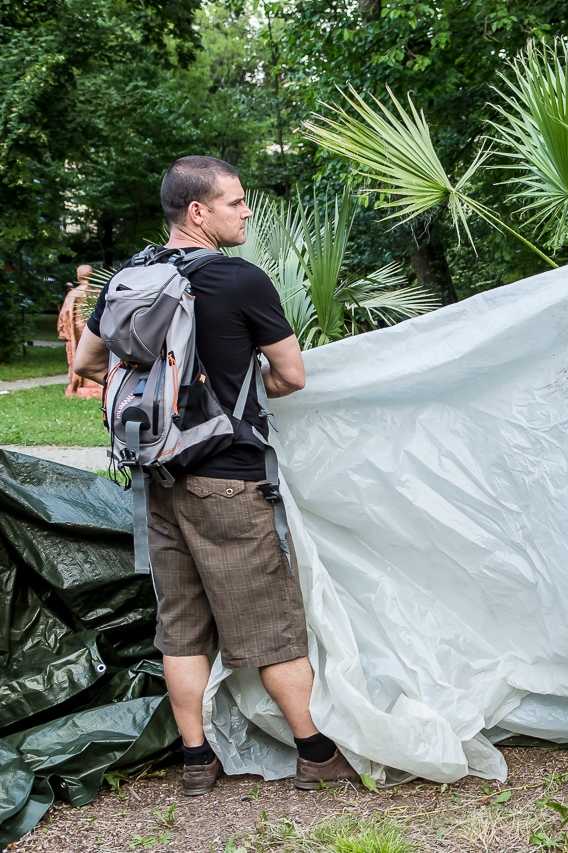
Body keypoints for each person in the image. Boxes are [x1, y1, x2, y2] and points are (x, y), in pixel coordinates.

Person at [72, 156, 360, 796]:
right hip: (229, 481)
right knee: (270, 622)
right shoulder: (240, 280)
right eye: (235, 202)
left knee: (181, 624)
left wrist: (162, 410)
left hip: (161, 481)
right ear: (197, 212)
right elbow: (291, 375)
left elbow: (91, 363)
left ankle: (197, 761)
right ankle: (315, 751)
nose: (246, 211)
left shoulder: (131, 277)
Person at [56, 265, 103, 400]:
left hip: (77, 330)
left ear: (78, 275)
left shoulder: (74, 293)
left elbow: (64, 314)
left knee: (79, 353)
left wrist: (63, 331)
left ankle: (82, 383)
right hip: (93, 329)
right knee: (94, 353)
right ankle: (92, 383)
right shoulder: (97, 292)